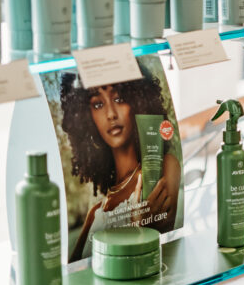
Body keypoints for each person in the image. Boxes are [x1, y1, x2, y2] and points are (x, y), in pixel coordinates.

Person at [59, 68, 181, 262]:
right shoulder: (95, 213)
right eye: (98, 104)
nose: (110, 114)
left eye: (118, 99)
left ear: (137, 102)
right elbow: (74, 269)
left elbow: (162, 250)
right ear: (88, 118)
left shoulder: (163, 169)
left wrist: (142, 225)